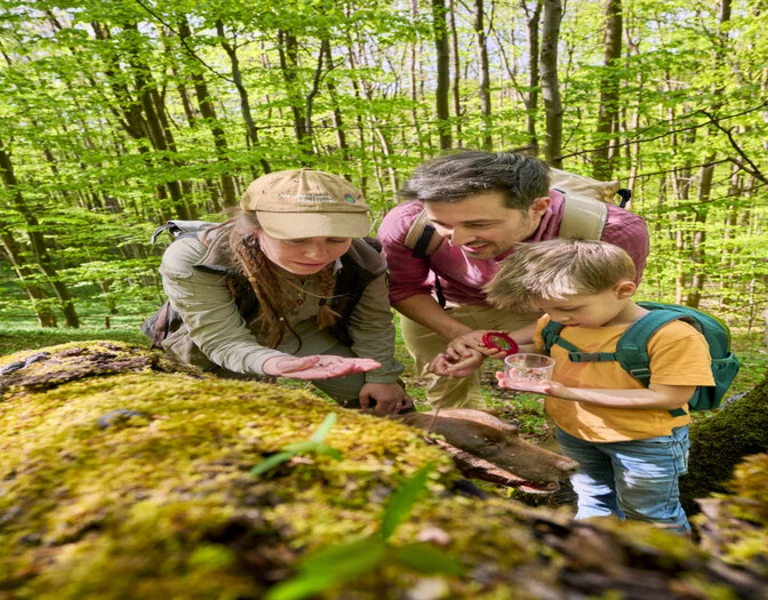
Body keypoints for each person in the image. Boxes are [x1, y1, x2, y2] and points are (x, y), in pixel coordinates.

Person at [378, 150, 650, 409]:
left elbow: (604, 304)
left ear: (538, 208)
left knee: (572, 379)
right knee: (446, 383)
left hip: (549, 310)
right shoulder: (407, 223)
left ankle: (566, 452)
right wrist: (462, 336)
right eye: (442, 224)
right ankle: (464, 444)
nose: (457, 240)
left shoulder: (610, 230)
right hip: (441, 305)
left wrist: (494, 344)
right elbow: (404, 287)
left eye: (479, 224)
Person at [480, 239, 712, 532]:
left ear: (623, 290)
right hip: (576, 434)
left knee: (650, 515)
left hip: (644, 441)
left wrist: (568, 393)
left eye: (568, 308)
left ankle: (666, 571)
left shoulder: (672, 336)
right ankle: (598, 561)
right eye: (546, 308)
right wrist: (505, 349)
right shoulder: (560, 323)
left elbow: (668, 397)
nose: (557, 316)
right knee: (592, 501)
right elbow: (536, 347)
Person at [149, 168, 411, 415]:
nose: (318, 254)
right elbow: (221, 338)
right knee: (230, 429)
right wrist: (272, 363)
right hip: (216, 349)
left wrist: (382, 377)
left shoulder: (364, 258)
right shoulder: (196, 257)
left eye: (336, 239)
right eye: (295, 239)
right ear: (254, 228)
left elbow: (372, 323)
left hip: (306, 332)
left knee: (388, 405)